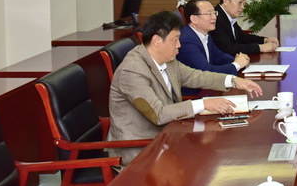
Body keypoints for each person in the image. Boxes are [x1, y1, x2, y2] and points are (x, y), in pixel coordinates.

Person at [107, 11, 262, 166]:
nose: (179, 45)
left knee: (213, 155)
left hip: (168, 136)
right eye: (175, 40)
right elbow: (158, 114)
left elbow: (196, 76)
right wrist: (204, 104)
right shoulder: (132, 71)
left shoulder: (167, 60)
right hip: (141, 150)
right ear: (156, 41)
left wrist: (233, 81)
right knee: (205, 161)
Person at [177, 0, 250, 93]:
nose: (214, 17)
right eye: (209, 14)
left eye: (214, 13)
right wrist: (236, 65)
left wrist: (238, 59)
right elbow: (205, 71)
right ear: (194, 19)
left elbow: (218, 56)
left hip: (207, 88)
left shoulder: (204, 34)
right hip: (194, 94)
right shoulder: (187, 40)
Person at [212, 0, 279, 55]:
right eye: (239, 2)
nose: (242, 7)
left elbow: (242, 37)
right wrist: (260, 47)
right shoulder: (215, 18)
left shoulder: (227, 16)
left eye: (243, 3)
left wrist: (264, 40)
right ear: (226, 1)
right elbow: (228, 48)